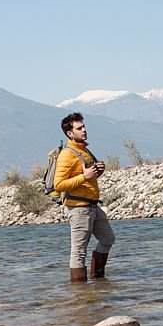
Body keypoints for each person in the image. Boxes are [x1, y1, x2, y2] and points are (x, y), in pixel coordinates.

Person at [54, 112, 116, 282]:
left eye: (84, 126)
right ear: (70, 133)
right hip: (78, 209)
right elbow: (58, 184)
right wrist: (85, 177)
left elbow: (88, 178)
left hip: (93, 206)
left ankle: (98, 280)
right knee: (79, 251)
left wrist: (97, 172)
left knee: (108, 239)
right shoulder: (67, 154)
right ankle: (80, 294)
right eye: (79, 128)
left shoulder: (83, 150)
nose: (84, 130)